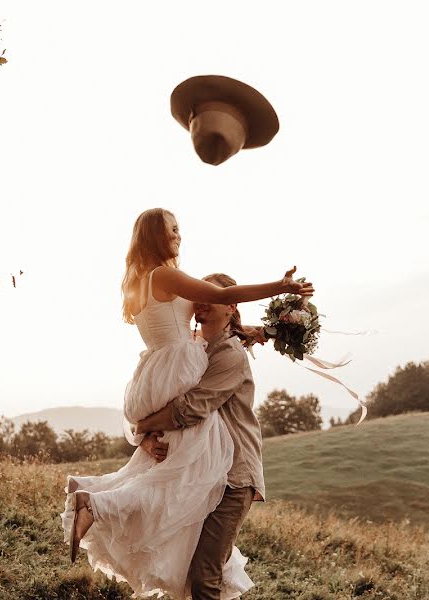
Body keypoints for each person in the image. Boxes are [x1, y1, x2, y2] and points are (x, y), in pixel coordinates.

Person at [61, 208, 313, 599]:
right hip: (217, 463)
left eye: (180, 228)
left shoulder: (217, 346)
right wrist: (279, 287)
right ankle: (97, 503)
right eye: (171, 229)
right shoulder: (171, 290)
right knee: (170, 497)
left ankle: (98, 501)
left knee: (192, 544)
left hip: (233, 471)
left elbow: (197, 389)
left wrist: (255, 331)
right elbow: (223, 303)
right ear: (154, 237)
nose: (179, 234)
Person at [137, 272, 267, 600]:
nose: (203, 303)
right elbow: (168, 397)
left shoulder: (230, 355)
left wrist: (142, 425)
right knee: (189, 571)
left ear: (232, 306)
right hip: (202, 474)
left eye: (215, 297)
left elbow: (190, 409)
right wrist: (147, 436)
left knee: (205, 576)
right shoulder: (195, 349)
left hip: (234, 475)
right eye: (200, 297)